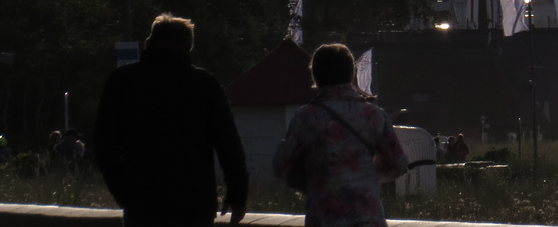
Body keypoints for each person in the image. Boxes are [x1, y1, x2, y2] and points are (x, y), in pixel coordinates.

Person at [94, 14, 247, 226]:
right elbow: (228, 144)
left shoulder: (122, 81)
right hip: (194, 203)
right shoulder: (204, 85)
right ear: (188, 47)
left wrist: (124, 193)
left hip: (142, 202)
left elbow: (104, 145)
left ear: (149, 43)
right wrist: (238, 193)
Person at [279, 43, 407, 227]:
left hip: (323, 218)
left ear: (315, 75)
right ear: (352, 74)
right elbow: (399, 164)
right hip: (368, 218)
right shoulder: (374, 116)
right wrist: (367, 176)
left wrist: (315, 183)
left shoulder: (306, 117)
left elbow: (282, 166)